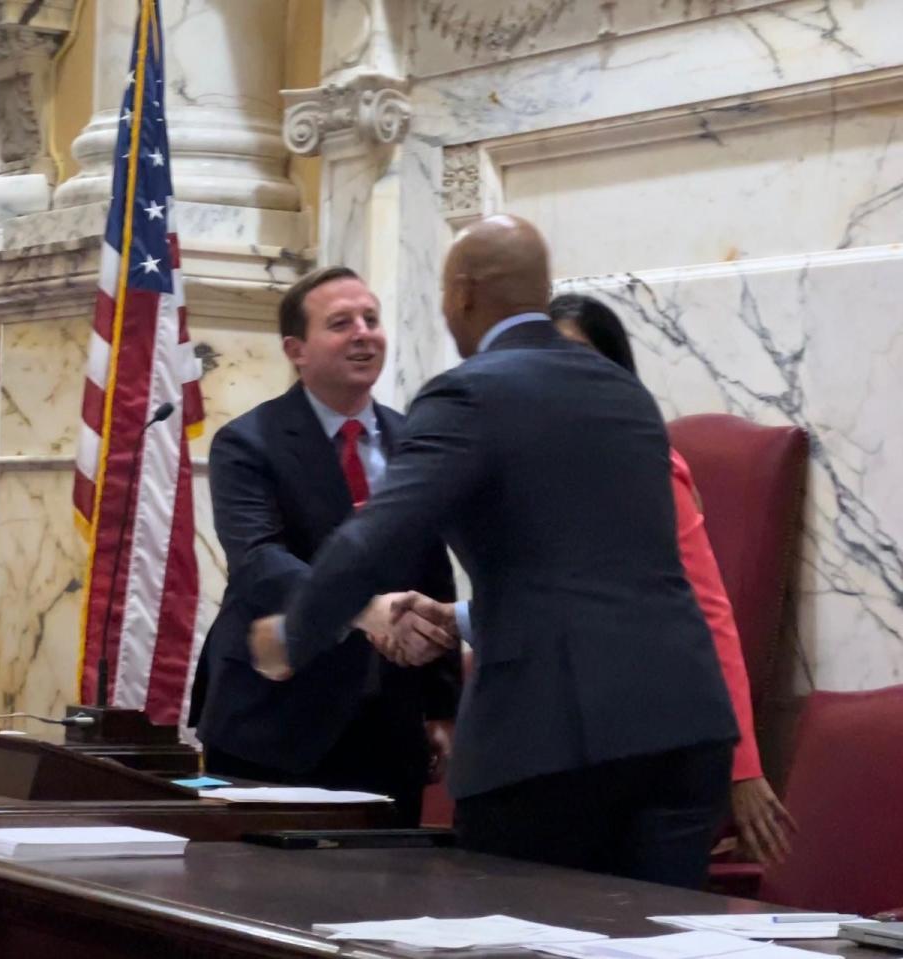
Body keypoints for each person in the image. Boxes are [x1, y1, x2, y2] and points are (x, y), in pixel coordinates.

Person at [249, 215, 739, 890]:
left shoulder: (470, 392)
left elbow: (375, 536)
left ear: (464, 291)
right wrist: (457, 619)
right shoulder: (624, 393)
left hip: (552, 740)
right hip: (684, 733)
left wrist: (293, 632)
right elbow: (588, 570)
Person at [188, 266, 461, 826]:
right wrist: (362, 608)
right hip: (274, 718)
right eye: (341, 323)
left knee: (383, 900)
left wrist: (441, 706)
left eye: (371, 319)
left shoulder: (416, 440)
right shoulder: (247, 442)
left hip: (388, 722)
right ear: (297, 349)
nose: (363, 333)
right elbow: (260, 563)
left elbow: (433, 572)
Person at [549, 292, 797, 865]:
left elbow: (709, 614)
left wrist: (743, 767)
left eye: (583, 359)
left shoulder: (649, 468)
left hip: (654, 749)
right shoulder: (535, 465)